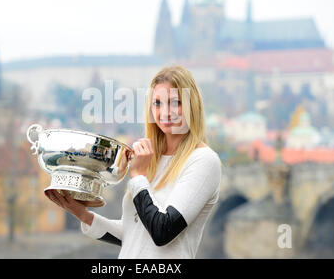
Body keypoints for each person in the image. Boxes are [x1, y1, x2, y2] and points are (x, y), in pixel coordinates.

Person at [45, 65, 222, 258]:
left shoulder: (203, 161)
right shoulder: (151, 159)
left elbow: (162, 231)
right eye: (157, 103)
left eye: (175, 102)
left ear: (191, 105)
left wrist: (138, 176)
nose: (165, 112)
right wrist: (82, 214)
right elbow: (134, 233)